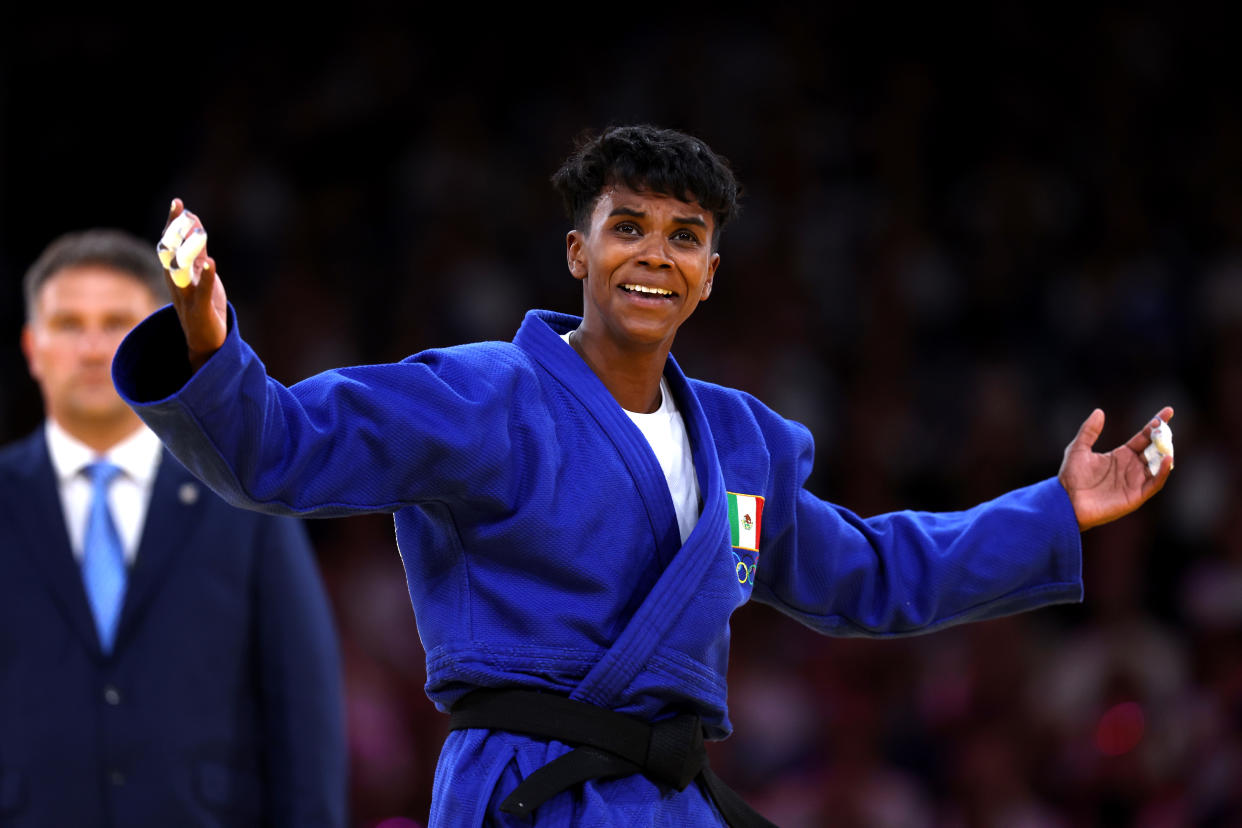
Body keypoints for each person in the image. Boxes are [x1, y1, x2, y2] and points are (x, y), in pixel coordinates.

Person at [113, 125, 1172, 827]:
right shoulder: (486, 397)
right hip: (524, 789)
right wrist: (209, 343)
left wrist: (1057, 511)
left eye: (685, 237)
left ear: (711, 275)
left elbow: (877, 576)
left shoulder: (745, 444)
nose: (654, 256)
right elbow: (282, 450)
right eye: (627, 228)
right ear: (577, 252)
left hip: (671, 800)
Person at [0, 229, 348, 827]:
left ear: (155, 338)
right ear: (32, 347)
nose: (90, 348)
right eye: (67, 325)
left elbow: (303, 712)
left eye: (115, 323)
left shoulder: (242, 497)